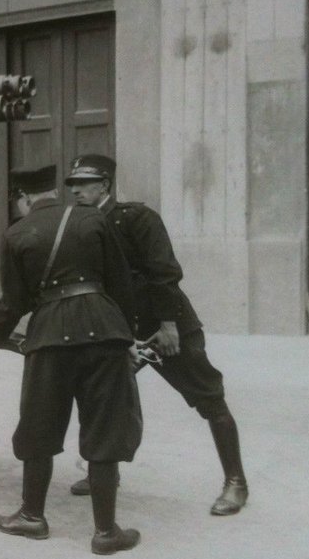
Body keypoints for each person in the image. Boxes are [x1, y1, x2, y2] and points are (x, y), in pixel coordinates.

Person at [64, 154, 248, 516]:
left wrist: (168, 324)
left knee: (207, 395)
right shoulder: (81, 224)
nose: (77, 190)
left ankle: (236, 482)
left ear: (105, 184)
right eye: (72, 184)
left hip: (164, 328)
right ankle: (106, 474)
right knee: (101, 398)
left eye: (85, 183)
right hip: (120, 332)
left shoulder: (137, 218)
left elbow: (164, 273)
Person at [0, 165, 144, 555]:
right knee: (104, 426)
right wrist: (126, 336)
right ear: (54, 190)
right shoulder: (93, 218)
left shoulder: (17, 233)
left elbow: (14, 301)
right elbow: (121, 283)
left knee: (39, 422)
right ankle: (106, 533)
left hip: (49, 336)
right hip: (104, 331)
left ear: (23, 198)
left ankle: (32, 517)